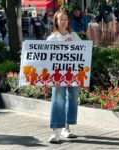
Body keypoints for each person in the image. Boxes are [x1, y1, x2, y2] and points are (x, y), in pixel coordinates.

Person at [46, 10, 81, 143]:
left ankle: (67, 128)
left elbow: (83, 51)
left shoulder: (74, 35)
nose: (64, 22)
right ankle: (55, 132)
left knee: (72, 99)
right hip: (57, 75)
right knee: (58, 99)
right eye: (61, 19)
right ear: (56, 21)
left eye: (66, 19)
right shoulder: (51, 39)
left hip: (74, 74)